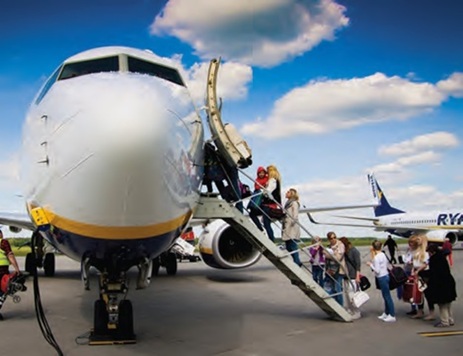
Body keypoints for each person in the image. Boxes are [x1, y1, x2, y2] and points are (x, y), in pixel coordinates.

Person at [426, 244, 457, 327]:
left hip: (441, 284)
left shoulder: (434, 259)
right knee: (448, 304)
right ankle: (450, 319)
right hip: (449, 281)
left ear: (432, 252)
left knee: (442, 304)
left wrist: (421, 273)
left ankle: (444, 321)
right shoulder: (442, 257)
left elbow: (432, 272)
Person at [249, 165, 282, 242]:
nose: (267, 173)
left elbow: (267, 192)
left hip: (269, 205)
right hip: (268, 205)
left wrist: (262, 190)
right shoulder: (275, 181)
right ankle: (261, 230)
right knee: (253, 214)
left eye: (267, 171)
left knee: (267, 224)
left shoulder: (272, 180)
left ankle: (271, 241)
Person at [367, 240, 396, 322]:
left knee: (387, 296)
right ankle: (387, 312)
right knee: (385, 295)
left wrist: (370, 265)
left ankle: (392, 314)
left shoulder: (376, 257)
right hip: (386, 275)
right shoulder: (383, 254)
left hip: (381, 277)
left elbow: (377, 270)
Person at [409, 234, 435, 320]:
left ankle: (431, 313)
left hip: (425, 273)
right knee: (418, 293)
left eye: (419, 240)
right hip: (417, 272)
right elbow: (415, 262)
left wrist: (417, 271)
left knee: (428, 293)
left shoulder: (425, 252)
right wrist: (413, 270)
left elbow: (425, 264)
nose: (417, 241)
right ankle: (420, 311)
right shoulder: (416, 251)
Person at [0, 230, 21, 320]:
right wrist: (17, 269)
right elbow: (10, 255)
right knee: (3, 290)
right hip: (2, 271)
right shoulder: (3, 242)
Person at [340, 237, 362, 319]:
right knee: (347, 295)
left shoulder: (354, 251)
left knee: (352, 295)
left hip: (352, 276)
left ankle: (356, 311)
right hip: (346, 276)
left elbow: (358, 264)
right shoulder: (344, 252)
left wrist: (357, 276)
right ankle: (350, 309)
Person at [323, 231, 346, 306]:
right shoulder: (329, 246)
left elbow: (338, 258)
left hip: (339, 270)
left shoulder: (340, 245)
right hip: (330, 270)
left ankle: (340, 305)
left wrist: (328, 255)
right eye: (331, 238)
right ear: (328, 239)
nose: (333, 239)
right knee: (330, 288)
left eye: (334, 237)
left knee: (338, 288)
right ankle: (334, 304)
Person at [281, 188, 301, 266]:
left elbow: (295, 215)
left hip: (292, 227)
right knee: (288, 247)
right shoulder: (288, 203)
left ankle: (297, 262)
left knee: (292, 245)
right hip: (287, 226)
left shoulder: (294, 203)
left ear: (292, 194)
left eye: (288, 192)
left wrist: (292, 223)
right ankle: (297, 262)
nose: (286, 193)